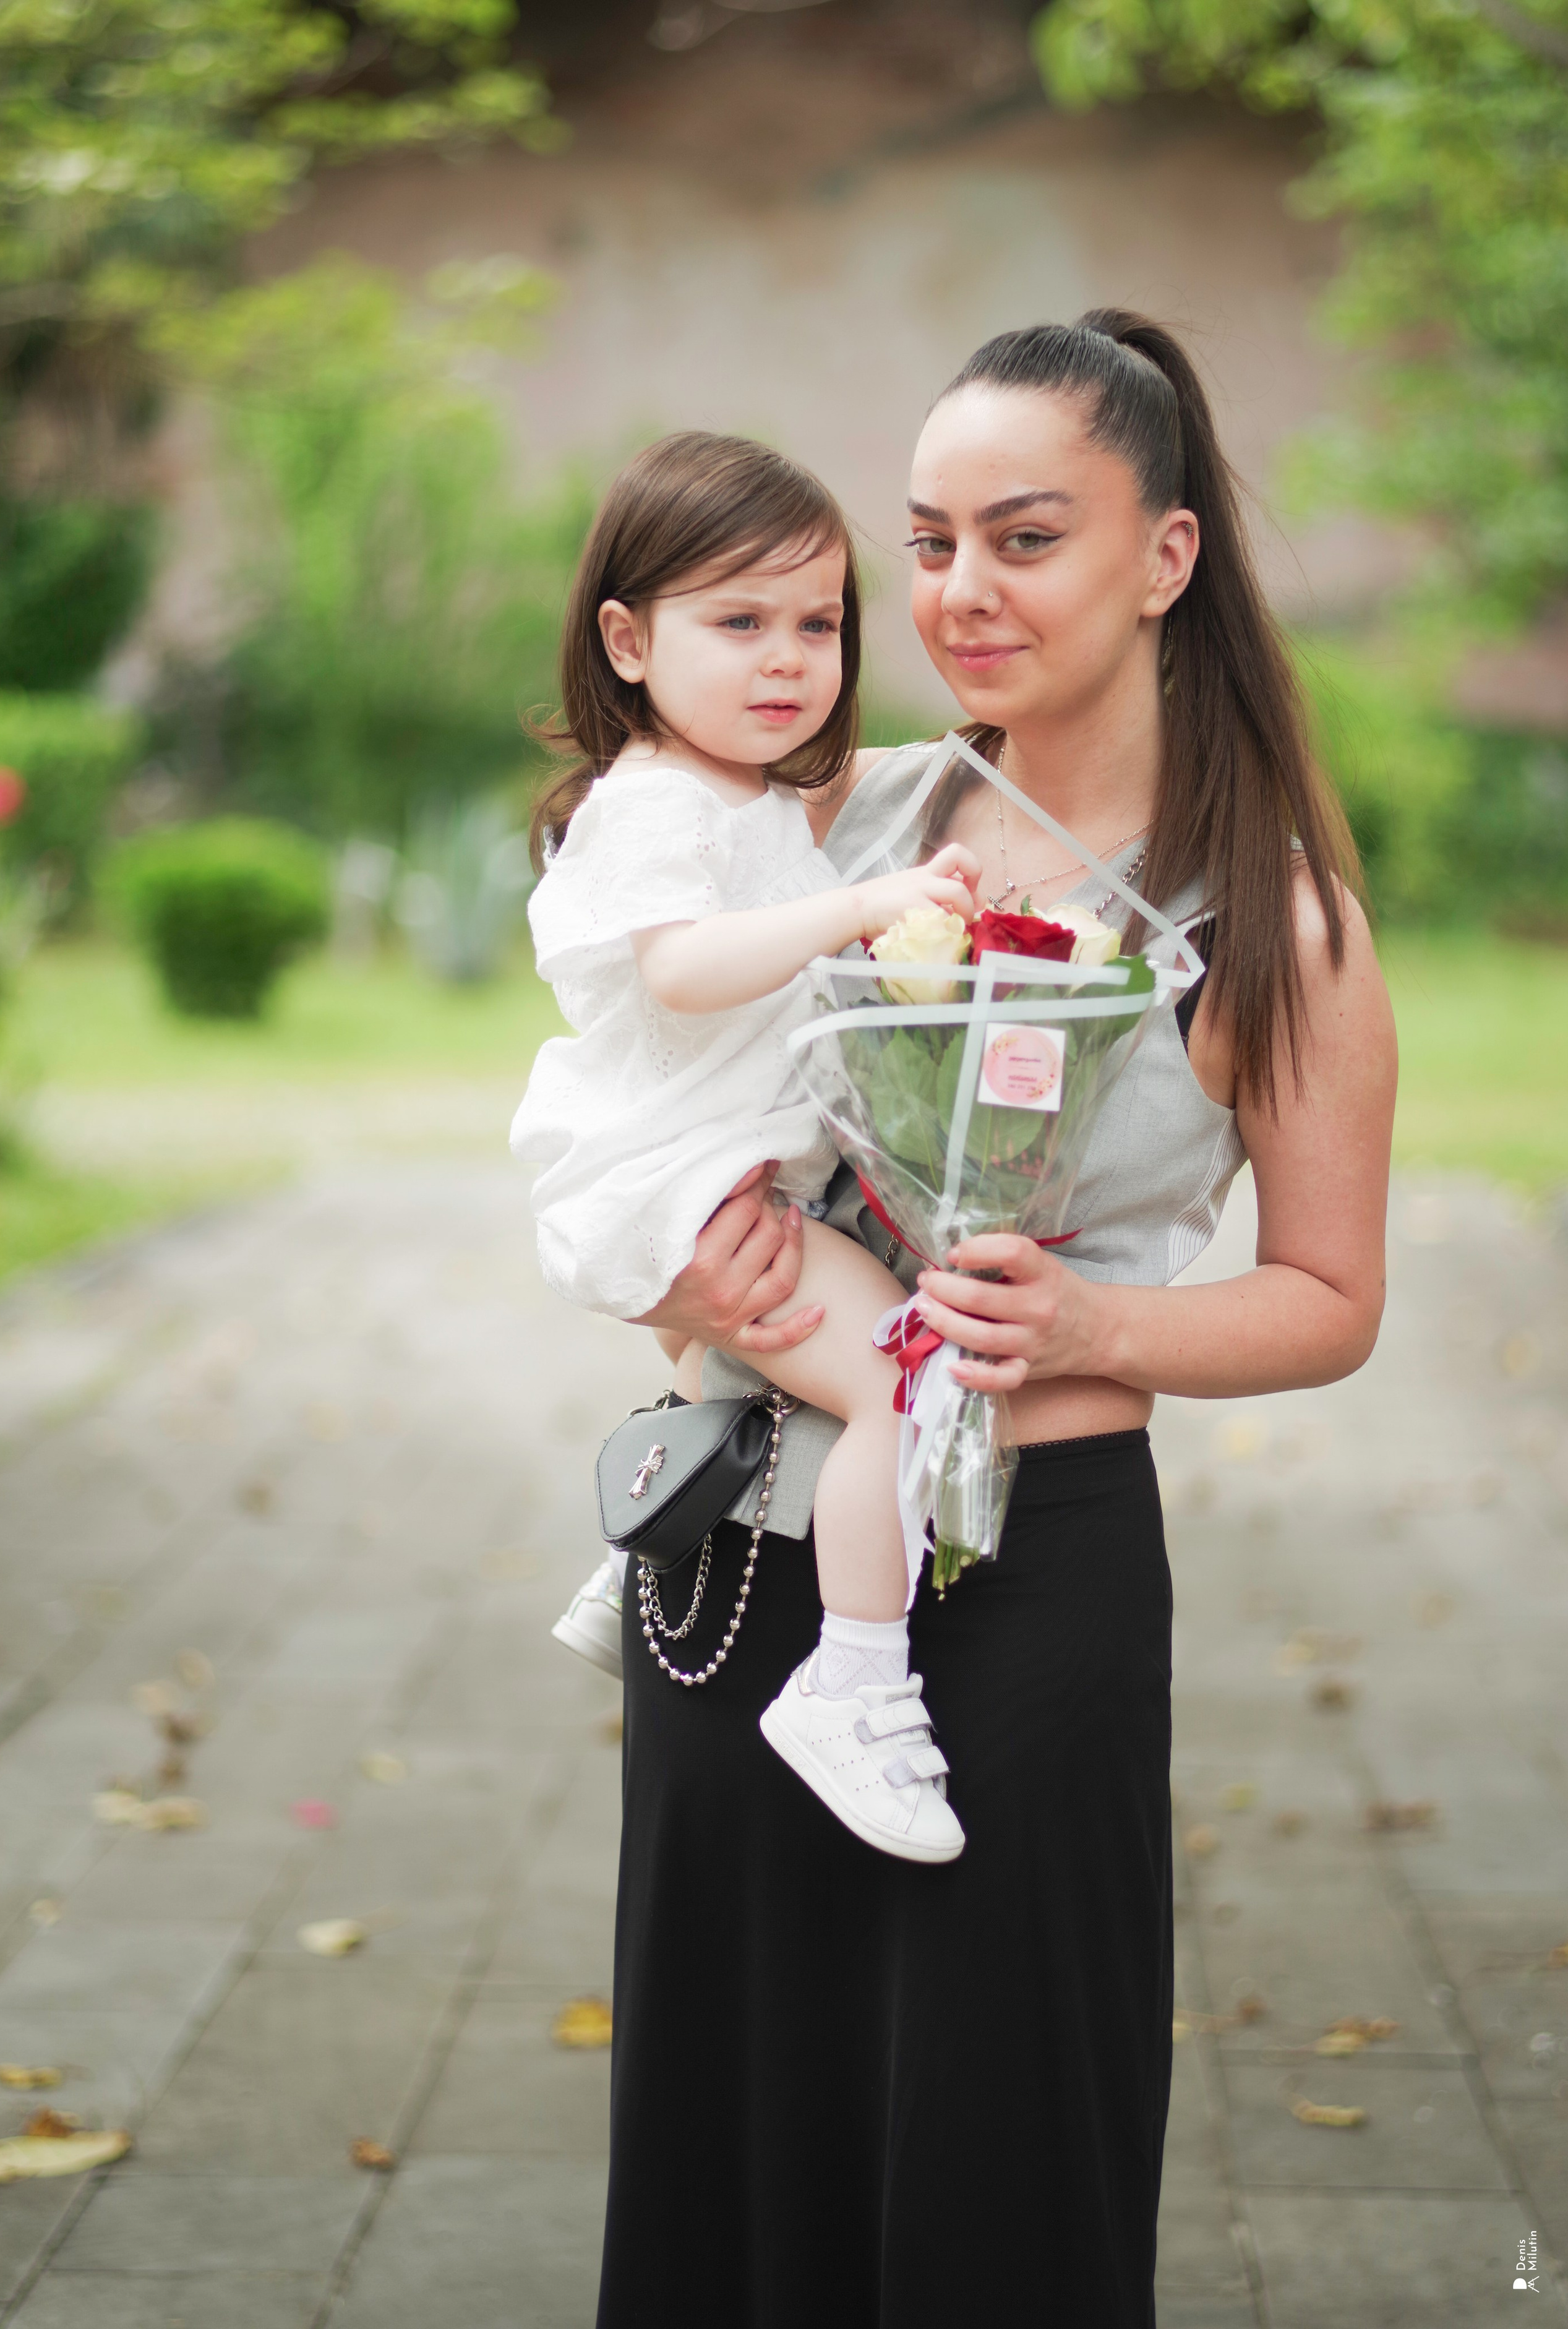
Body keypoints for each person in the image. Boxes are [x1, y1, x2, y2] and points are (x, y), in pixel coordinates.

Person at [595, 313, 1397, 2328]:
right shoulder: (830, 819)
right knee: (731, 2162)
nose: (957, 593)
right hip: (750, 1570)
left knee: (995, 2177)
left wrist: (1089, 1324)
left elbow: (1327, 1302)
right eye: (931, 541)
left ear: (1168, 555)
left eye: (1023, 537)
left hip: (1038, 1600)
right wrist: (681, 1274)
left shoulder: (1264, 913)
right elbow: (645, 1070)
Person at [515, 430, 982, 1863]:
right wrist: (870, 904)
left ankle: (639, 1552)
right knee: (914, 1378)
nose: (787, 659)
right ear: (627, 639)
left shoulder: (753, 797)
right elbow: (683, 970)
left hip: (724, 1169)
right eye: (738, 621)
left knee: (836, 1357)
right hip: (680, 1179)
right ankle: (852, 1680)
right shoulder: (655, 800)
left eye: (818, 623)